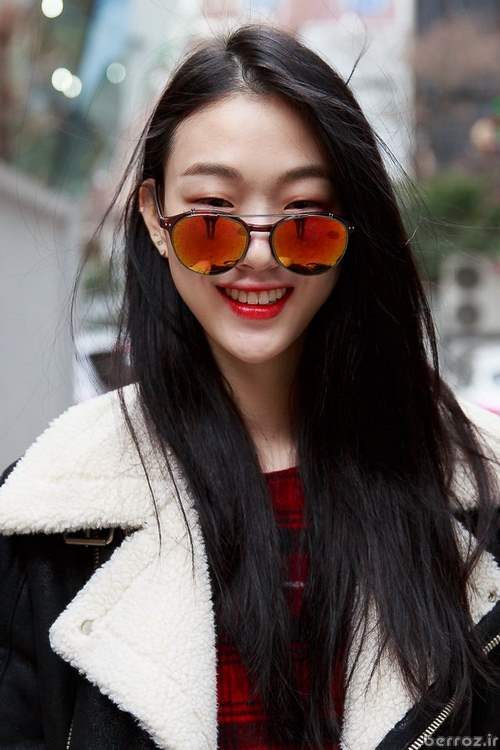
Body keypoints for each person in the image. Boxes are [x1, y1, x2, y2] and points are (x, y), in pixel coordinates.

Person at [1, 21, 500, 750]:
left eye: (305, 219)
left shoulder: (480, 491)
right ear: (155, 218)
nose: (259, 256)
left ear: (352, 225)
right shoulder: (45, 514)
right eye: (212, 219)